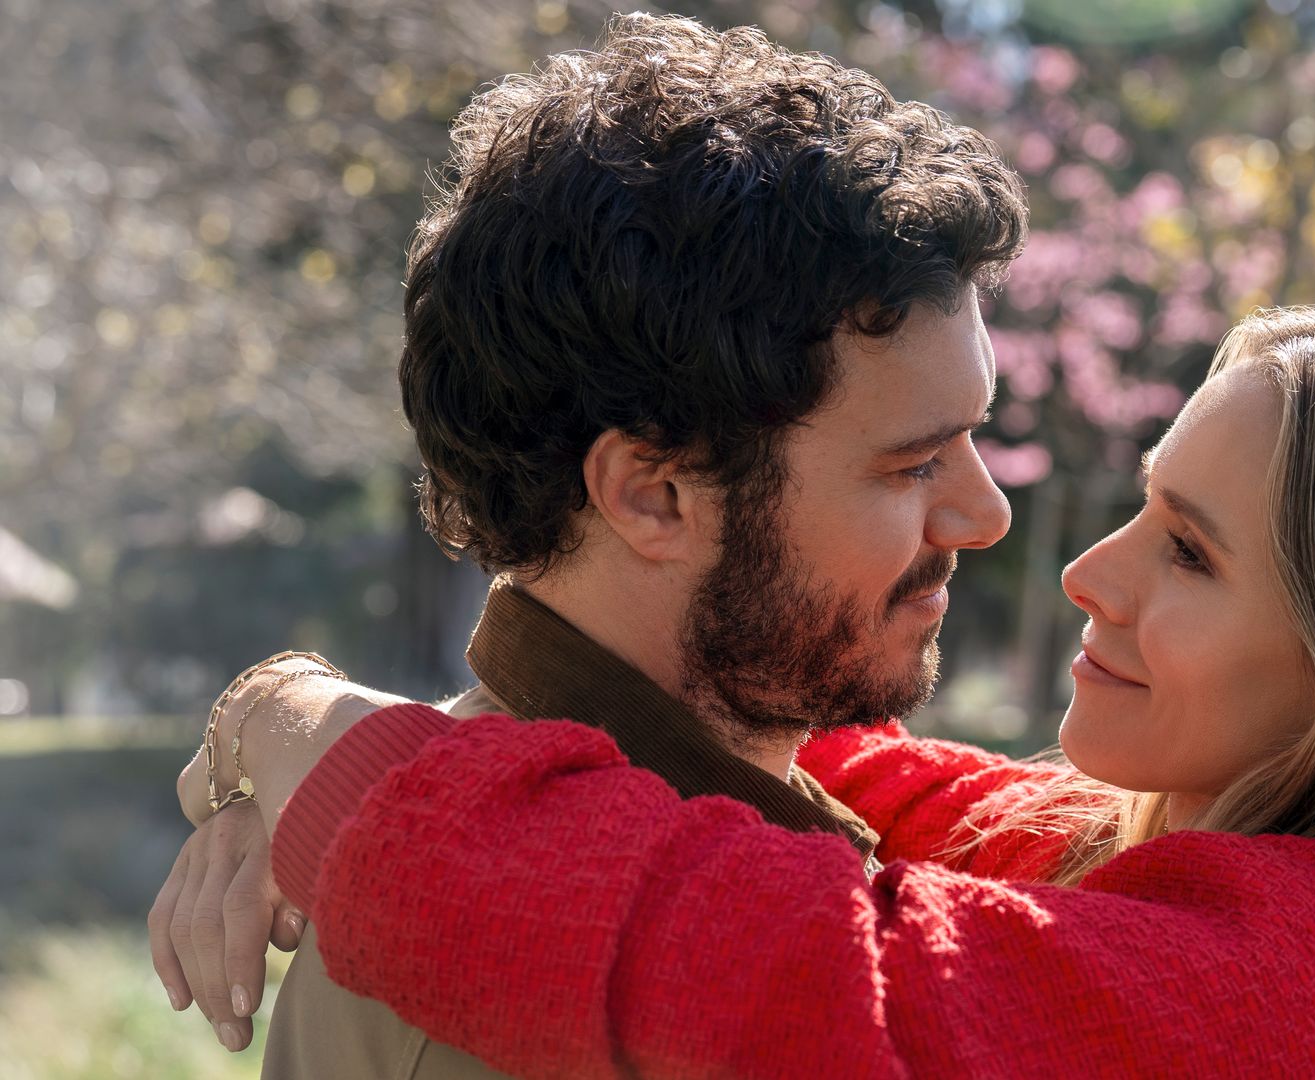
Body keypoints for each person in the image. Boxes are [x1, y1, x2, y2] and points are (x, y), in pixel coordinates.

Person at [174, 307, 1315, 1079]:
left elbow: (773, 963)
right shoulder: (1260, 898)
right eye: (1142, 505)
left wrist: (316, 741)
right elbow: (929, 795)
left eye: (1191, 552)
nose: (1083, 567)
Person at [144, 13, 1025, 1075]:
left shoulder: (570, 866)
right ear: (652, 495)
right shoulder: (527, 989)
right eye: (913, 464)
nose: (987, 516)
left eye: (974, 438)